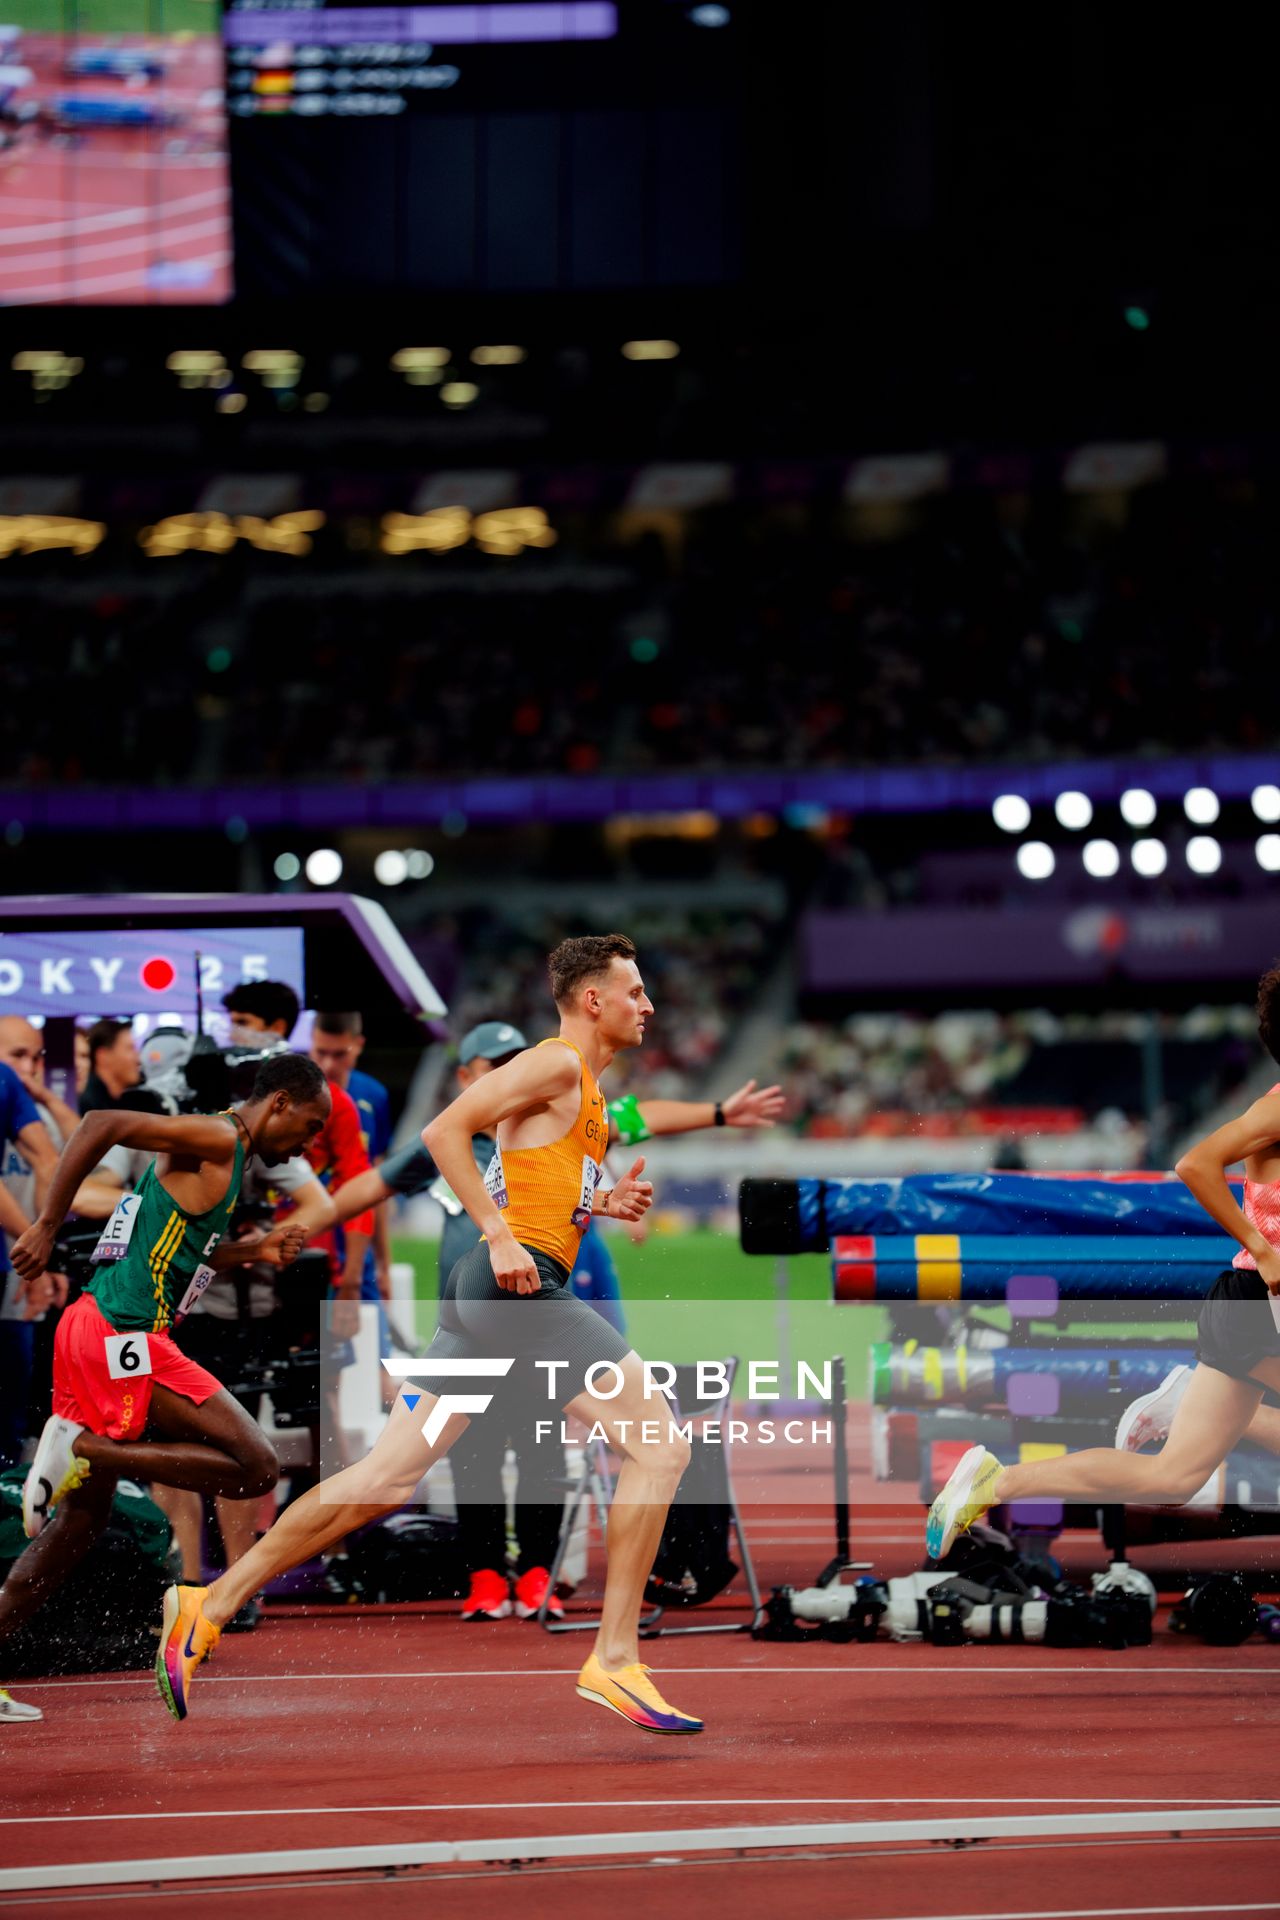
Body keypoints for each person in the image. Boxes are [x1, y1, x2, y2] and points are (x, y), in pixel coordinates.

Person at [156, 934, 708, 1735]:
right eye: (635, 991)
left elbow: (523, 1177)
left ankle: (208, 1601)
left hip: (491, 1302)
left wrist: (595, 1206)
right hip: (513, 1290)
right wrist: (498, 1234)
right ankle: (615, 1659)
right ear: (594, 1000)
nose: (648, 1006)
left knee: (384, 1479)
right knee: (662, 1447)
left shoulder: (585, 1090)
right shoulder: (555, 1062)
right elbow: (449, 1131)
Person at [333, 1029, 785, 1622]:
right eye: (493, 1064)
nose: (509, 1070)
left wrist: (720, 1112)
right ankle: (488, 1574)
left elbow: (637, 1114)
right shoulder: (459, 1136)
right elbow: (374, 1183)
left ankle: (545, 1570)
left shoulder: (564, 1109)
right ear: (469, 1077)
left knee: (542, 1440)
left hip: (536, 1310)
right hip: (478, 1309)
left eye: (513, 1060)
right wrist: (313, 1222)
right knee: (470, 1452)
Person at [0, 1054, 330, 1710]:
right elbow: (101, 1122)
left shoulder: (228, 1162)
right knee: (256, 1466)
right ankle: (90, 1446)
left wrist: (252, 1251)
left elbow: (181, 1250)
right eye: (310, 1125)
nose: (308, 1143)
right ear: (280, 1104)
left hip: (97, 1329)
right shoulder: (219, 1136)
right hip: (123, 1336)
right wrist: (45, 1222)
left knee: (79, 1525)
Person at [926, 962, 1280, 1561]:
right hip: (1260, 1299)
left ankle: (997, 1481)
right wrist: (1265, 1248)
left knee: (1173, 1478)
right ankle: (1190, 1394)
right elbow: (1196, 1164)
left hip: (1247, 1306)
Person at [78, 1020, 142, 1114]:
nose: (138, 1059)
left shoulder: (128, 1103)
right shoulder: (85, 1108)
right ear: (103, 1056)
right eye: (130, 1049)